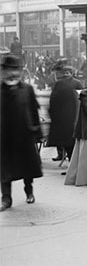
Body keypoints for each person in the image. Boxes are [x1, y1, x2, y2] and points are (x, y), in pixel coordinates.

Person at [0, 53, 42, 211]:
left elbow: (34, 111)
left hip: (24, 135)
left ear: (19, 72)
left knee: (27, 167)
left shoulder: (27, 89)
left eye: (15, 70)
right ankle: (6, 198)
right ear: (3, 71)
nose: (12, 73)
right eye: (9, 69)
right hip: (4, 137)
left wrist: (37, 132)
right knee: (4, 169)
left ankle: (29, 191)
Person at [46, 59, 82, 164]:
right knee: (73, 144)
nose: (66, 74)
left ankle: (71, 165)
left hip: (62, 120)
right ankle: (73, 165)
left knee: (67, 144)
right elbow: (82, 99)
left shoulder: (59, 84)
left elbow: (53, 101)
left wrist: (52, 114)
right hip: (74, 118)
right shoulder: (78, 83)